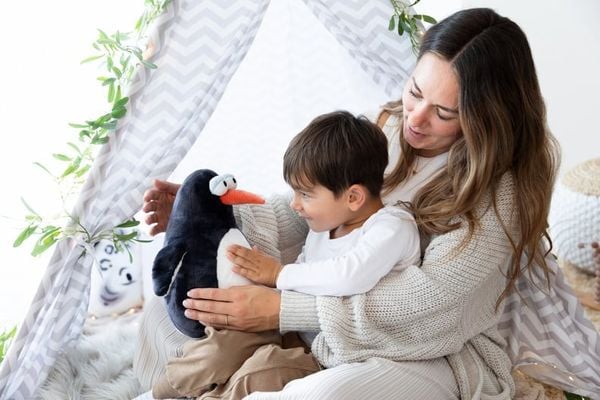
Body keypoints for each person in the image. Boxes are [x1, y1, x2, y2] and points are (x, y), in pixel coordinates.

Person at [135, 8, 560, 399]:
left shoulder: (499, 195)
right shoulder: (387, 128)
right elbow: (316, 208)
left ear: (487, 116)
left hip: (426, 348)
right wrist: (210, 215)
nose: (416, 118)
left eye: (444, 113)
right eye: (415, 91)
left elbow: (428, 307)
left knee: (323, 395)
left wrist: (284, 310)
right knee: (168, 313)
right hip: (325, 310)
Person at [151, 110, 421, 399]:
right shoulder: (324, 227)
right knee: (227, 341)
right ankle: (163, 389)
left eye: (305, 194)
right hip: (294, 332)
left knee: (262, 371)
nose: (295, 204)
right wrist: (261, 284)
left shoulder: (392, 227)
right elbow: (302, 278)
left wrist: (277, 273)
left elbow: (349, 276)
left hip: (337, 356)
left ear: (353, 197)